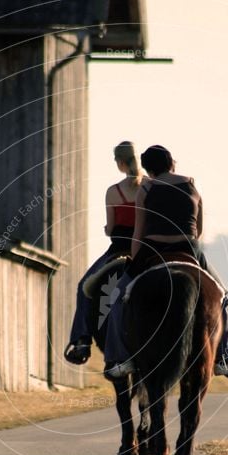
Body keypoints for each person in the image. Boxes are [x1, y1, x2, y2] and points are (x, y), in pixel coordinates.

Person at [103, 144, 228, 379]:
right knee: (223, 296)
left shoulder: (146, 190)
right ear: (172, 163)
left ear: (148, 169)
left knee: (118, 297)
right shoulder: (191, 186)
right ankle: (222, 358)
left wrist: (135, 262)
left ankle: (122, 359)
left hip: (153, 250)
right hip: (188, 249)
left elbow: (138, 232)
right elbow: (198, 230)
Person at [64, 141, 146, 364]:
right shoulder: (151, 186)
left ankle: (82, 342)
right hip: (146, 251)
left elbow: (110, 228)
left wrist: (109, 229)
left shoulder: (113, 192)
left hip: (119, 251)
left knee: (84, 287)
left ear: (120, 163)